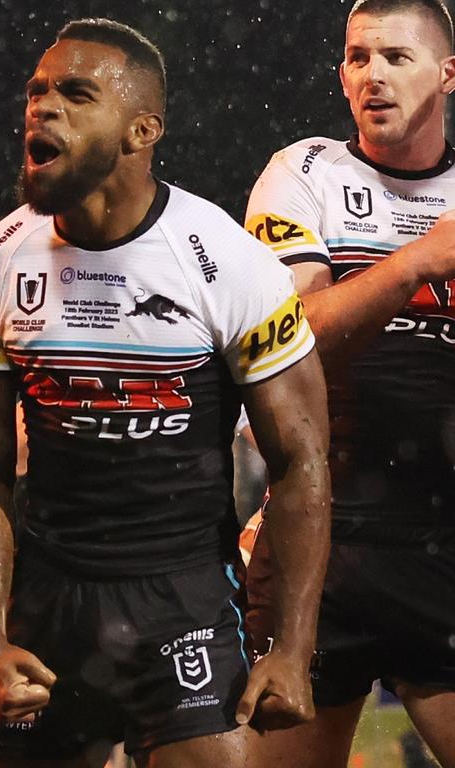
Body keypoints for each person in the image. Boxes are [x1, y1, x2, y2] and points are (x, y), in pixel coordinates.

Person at [0, 18, 331, 768]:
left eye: (75, 94)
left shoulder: (225, 260)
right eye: (37, 91)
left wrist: (292, 648)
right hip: (47, 601)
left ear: (141, 129)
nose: (42, 108)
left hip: (183, 598)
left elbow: (303, 463)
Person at [244, 1, 455, 766]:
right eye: (359, 57)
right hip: (319, 540)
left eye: (398, 57)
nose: (375, 75)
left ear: (448, 74)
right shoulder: (304, 173)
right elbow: (290, 345)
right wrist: (414, 264)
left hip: (443, 538)